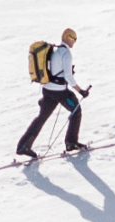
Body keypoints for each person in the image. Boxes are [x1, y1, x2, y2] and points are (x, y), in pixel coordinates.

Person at [16, 28, 90, 158]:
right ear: (69, 38)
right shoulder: (66, 54)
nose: (74, 42)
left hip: (47, 90)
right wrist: (81, 91)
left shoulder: (54, 50)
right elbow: (68, 76)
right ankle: (71, 142)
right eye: (74, 39)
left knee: (42, 117)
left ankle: (23, 145)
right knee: (76, 110)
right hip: (59, 92)